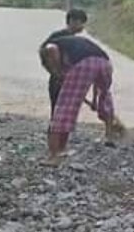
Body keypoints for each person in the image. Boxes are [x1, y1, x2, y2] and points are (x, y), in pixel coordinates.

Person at [42, 32, 121, 162]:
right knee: (105, 95)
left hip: (83, 64)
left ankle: (55, 155)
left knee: (66, 107)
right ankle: (110, 133)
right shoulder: (73, 44)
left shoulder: (48, 48)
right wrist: (95, 99)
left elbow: (51, 49)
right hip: (105, 63)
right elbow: (98, 84)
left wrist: (57, 72)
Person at [38, 7, 87, 114]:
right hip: (57, 79)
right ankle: (54, 128)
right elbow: (43, 51)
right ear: (71, 21)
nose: (83, 26)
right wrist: (54, 72)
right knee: (57, 106)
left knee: (65, 107)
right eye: (80, 22)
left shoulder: (75, 39)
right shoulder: (58, 36)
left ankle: (61, 128)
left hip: (68, 77)